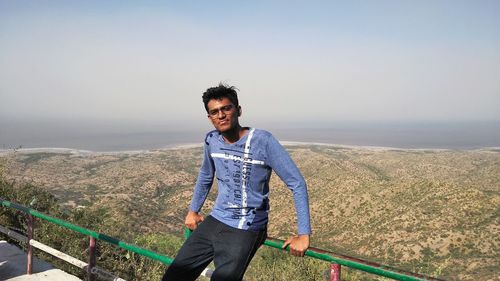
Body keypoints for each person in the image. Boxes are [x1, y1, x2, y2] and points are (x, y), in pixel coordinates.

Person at [162, 83, 311, 281]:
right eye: (214, 112)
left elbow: (297, 183)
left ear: (238, 110)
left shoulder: (263, 141)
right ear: (210, 118)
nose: (221, 115)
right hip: (216, 219)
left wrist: (304, 234)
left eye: (226, 108)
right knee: (174, 276)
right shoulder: (211, 140)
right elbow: (206, 175)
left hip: (246, 227)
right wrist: (193, 211)